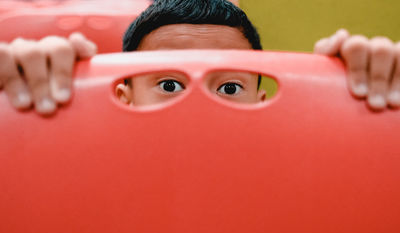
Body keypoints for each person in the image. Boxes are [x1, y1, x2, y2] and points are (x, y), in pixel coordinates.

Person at [0, 0, 399, 115]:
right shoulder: (77, 165)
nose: (197, 104)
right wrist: (16, 107)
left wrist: (371, 105)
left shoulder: (303, 171)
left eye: (229, 87)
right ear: (124, 96)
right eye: (169, 84)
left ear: (261, 102)